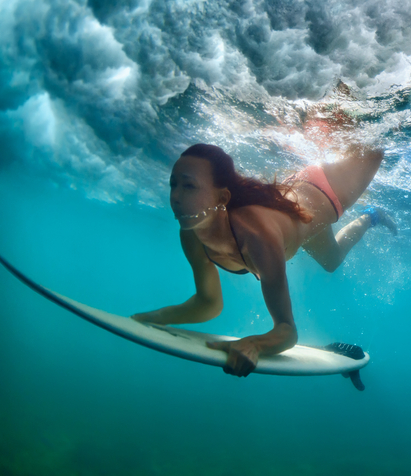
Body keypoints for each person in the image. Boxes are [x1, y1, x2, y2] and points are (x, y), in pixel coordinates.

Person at [132, 143, 396, 377]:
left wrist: (255, 344)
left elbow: (287, 331)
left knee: (374, 140)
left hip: (331, 190)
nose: (175, 197)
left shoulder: (257, 236)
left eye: (189, 186)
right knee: (332, 261)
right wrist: (152, 318)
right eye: (173, 184)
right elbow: (208, 303)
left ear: (222, 198)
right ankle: (371, 216)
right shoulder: (191, 232)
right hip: (302, 209)